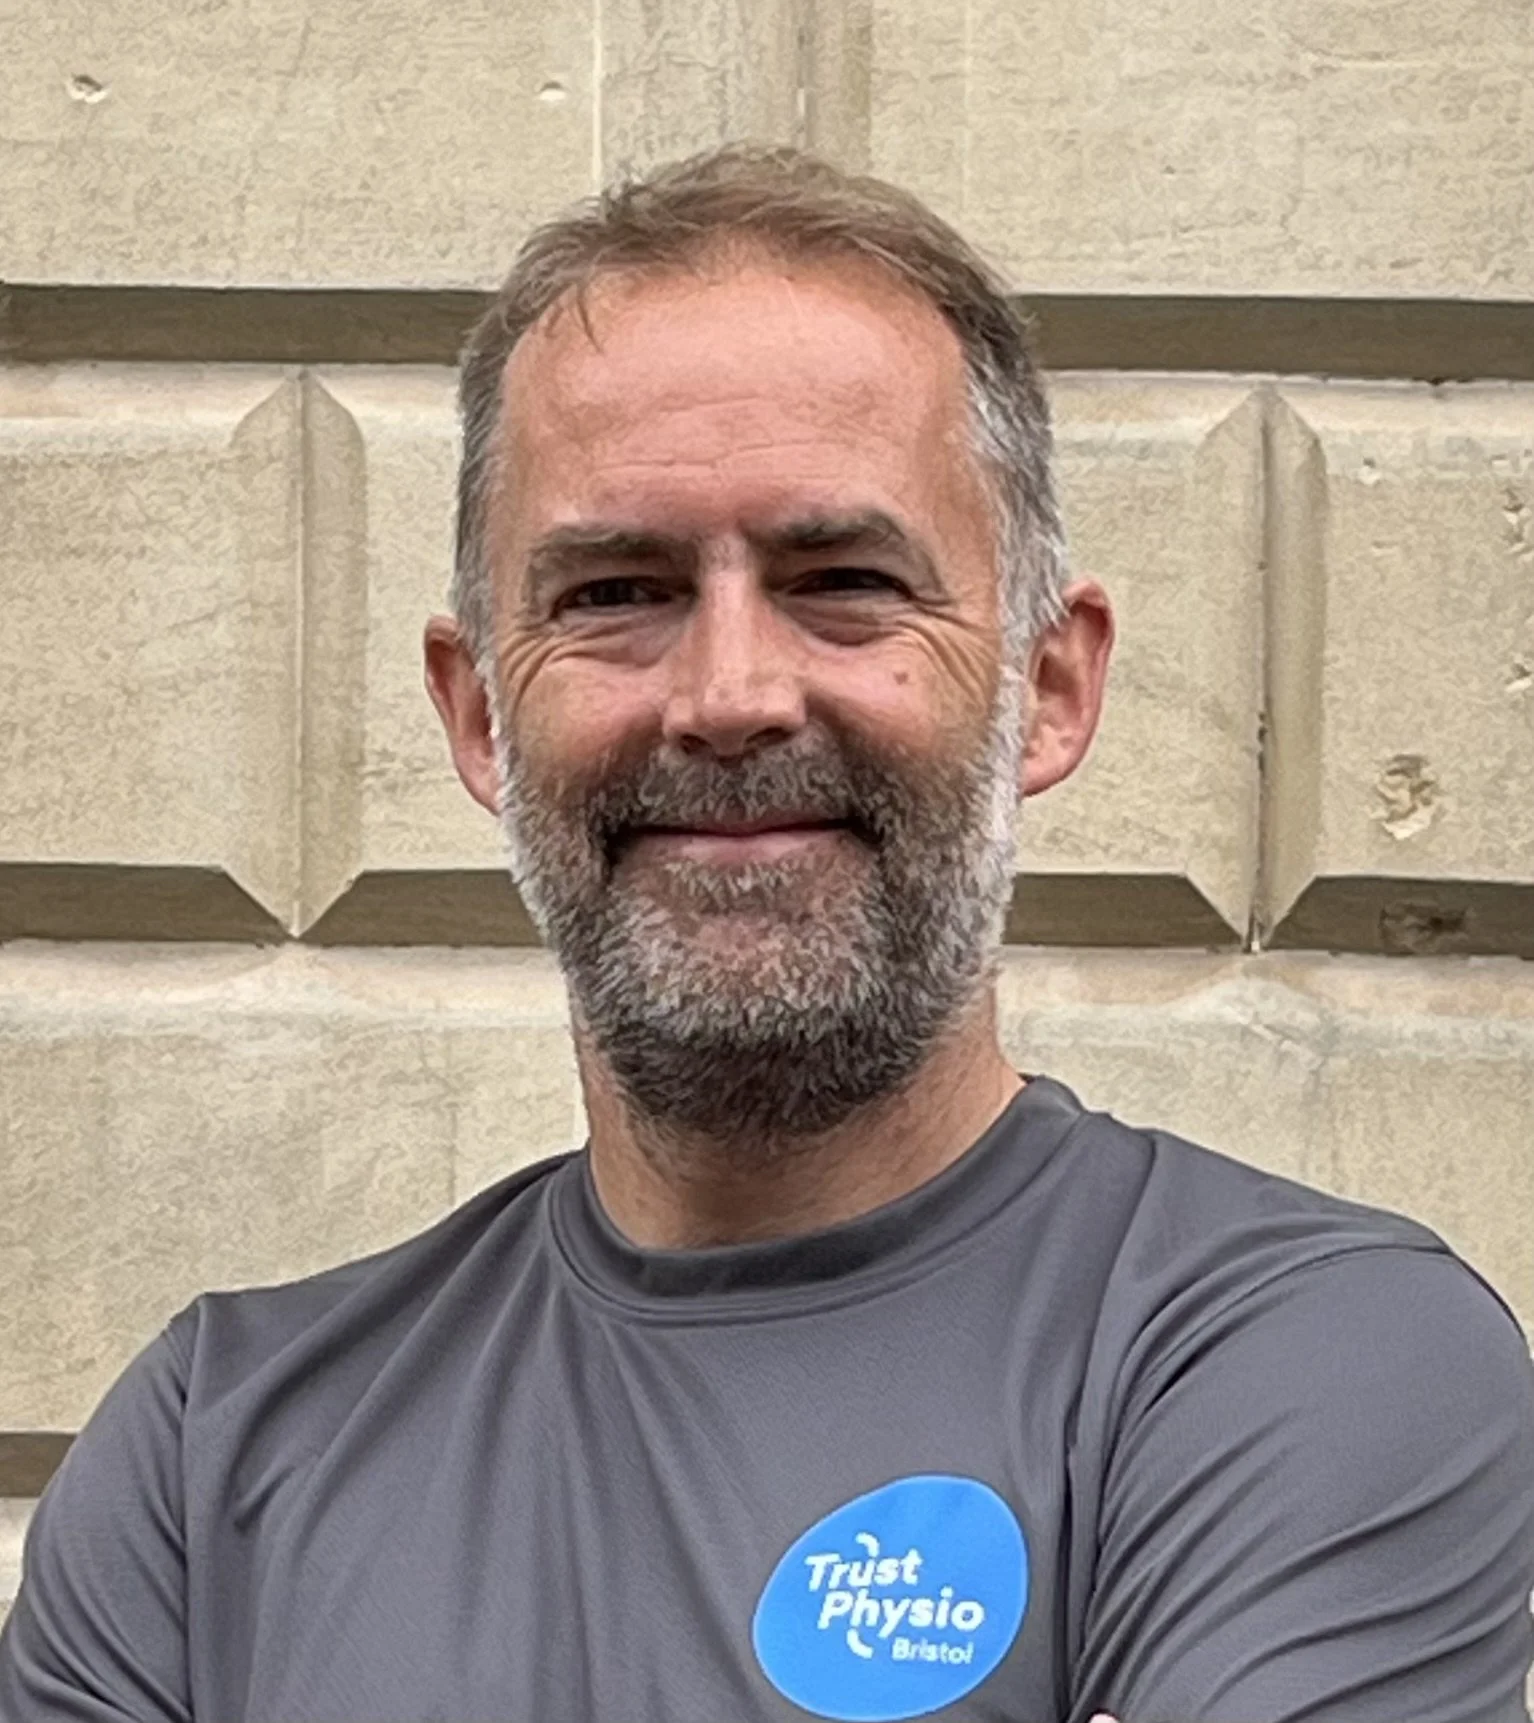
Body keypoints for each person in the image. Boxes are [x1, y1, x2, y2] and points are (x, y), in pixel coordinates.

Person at [2, 145, 1531, 1723]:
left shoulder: (1292, 1358)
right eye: (613, 592)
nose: (730, 693)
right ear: (475, 715)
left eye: (843, 581)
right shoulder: (217, 1455)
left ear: (1047, 687)